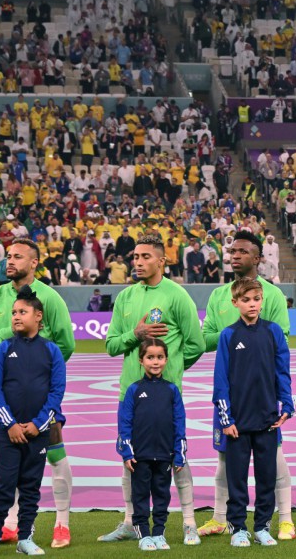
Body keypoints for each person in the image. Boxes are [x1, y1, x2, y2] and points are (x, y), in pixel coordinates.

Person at [100, 234, 204, 546]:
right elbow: (111, 346)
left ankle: (189, 523)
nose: (138, 262)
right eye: (135, 257)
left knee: (177, 457)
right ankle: (131, 522)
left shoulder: (177, 295)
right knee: (129, 459)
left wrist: (171, 372)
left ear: (162, 261)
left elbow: (196, 344)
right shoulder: (126, 297)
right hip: (129, 395)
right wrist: (136, 334)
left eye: (145, 257)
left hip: (166, 397)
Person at [0, 239, 75, 549]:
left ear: (34, 263)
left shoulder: (51, 298)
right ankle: (10, 526)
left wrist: (42, 368)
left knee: (54, 455)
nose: (10, 261)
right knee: (11, 462)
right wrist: (14, 329)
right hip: (10, 395)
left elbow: (66, 345)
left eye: (17, 256)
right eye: (8, 256)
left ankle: (62, 523)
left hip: (43, 399)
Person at [197, 232, 294, 541]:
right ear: (235, 301)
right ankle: (226, 520)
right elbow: (207, 339)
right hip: (233, 407)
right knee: (228, 463)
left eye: (243, 251)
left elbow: (282, 352)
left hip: (265, 406)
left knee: (271, 465)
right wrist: (229, 334)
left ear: (257, 258)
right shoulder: (218, 299)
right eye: (232, 250)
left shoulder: (274, 298)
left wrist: (286, 402)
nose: (235, 255)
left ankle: (281, 520)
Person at [116, 338, 187, 551]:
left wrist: (179, 452)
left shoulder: (172, 390)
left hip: (165, 454)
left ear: (166, 360)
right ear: (141, 360)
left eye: (159, 357)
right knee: (140, 496)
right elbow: (125, 422)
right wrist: (127, 452)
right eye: (150, 357)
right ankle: (144, 535)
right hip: (140, 455)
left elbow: (179, 422)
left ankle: (158, 533)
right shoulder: (134, 390)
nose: (155, 362)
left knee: (162, 495)